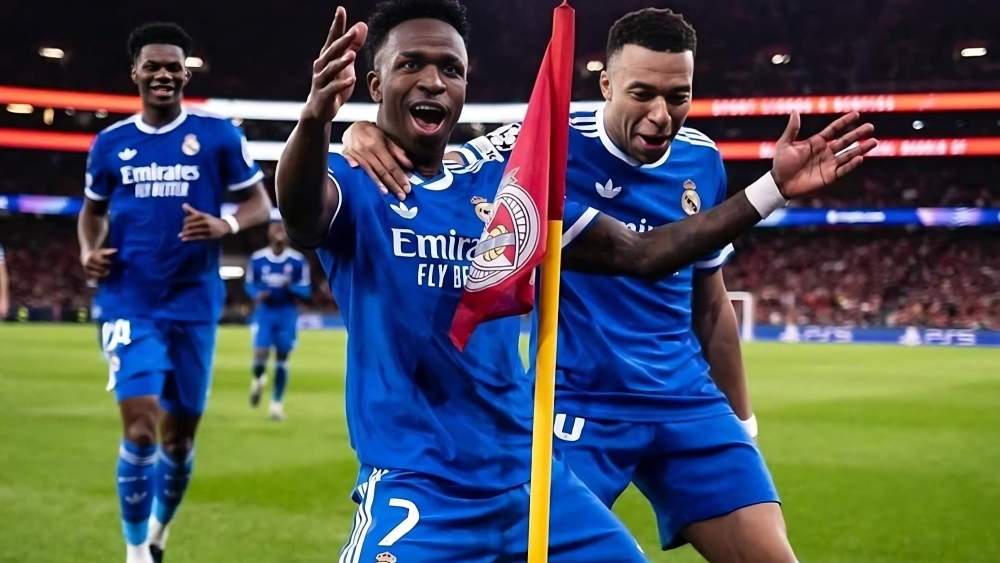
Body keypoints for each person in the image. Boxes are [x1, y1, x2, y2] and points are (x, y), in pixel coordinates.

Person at [276, 1, 874, 559]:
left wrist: (770, 189)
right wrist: (317, 120)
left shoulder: (507, 190)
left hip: (529, 476)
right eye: (411, 65)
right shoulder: (358, 183)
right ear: (375, 84)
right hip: (422, 482)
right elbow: (302, 212)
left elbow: (642, 254)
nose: (434, 81)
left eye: (450, 69)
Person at [76, 22, 271, 563]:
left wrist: (226, 225)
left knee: (178, 441)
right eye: (153, 66)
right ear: (135, 73)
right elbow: (91, 214)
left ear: (186, 73)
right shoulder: (110, 144)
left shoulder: (217, 136)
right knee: (141, 427)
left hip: (193, 303)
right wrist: (89, 251)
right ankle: (137, 551)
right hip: (128, 300)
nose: (163, 74)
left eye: (173, 67)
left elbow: (258, 202)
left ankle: (159, 533)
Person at [245, 222, 311, 420]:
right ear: (268, 233)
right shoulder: (258, 259)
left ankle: (276, 405)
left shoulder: (297, 261)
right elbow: (249, 285)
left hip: (286, 314)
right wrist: (257, 294)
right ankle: (258, 379)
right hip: (265, 313)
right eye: (274, 227)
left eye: (282, 227)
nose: (278, 230)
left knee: (282, 359)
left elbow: (306, 290)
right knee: (260, 355)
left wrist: (291, 287)